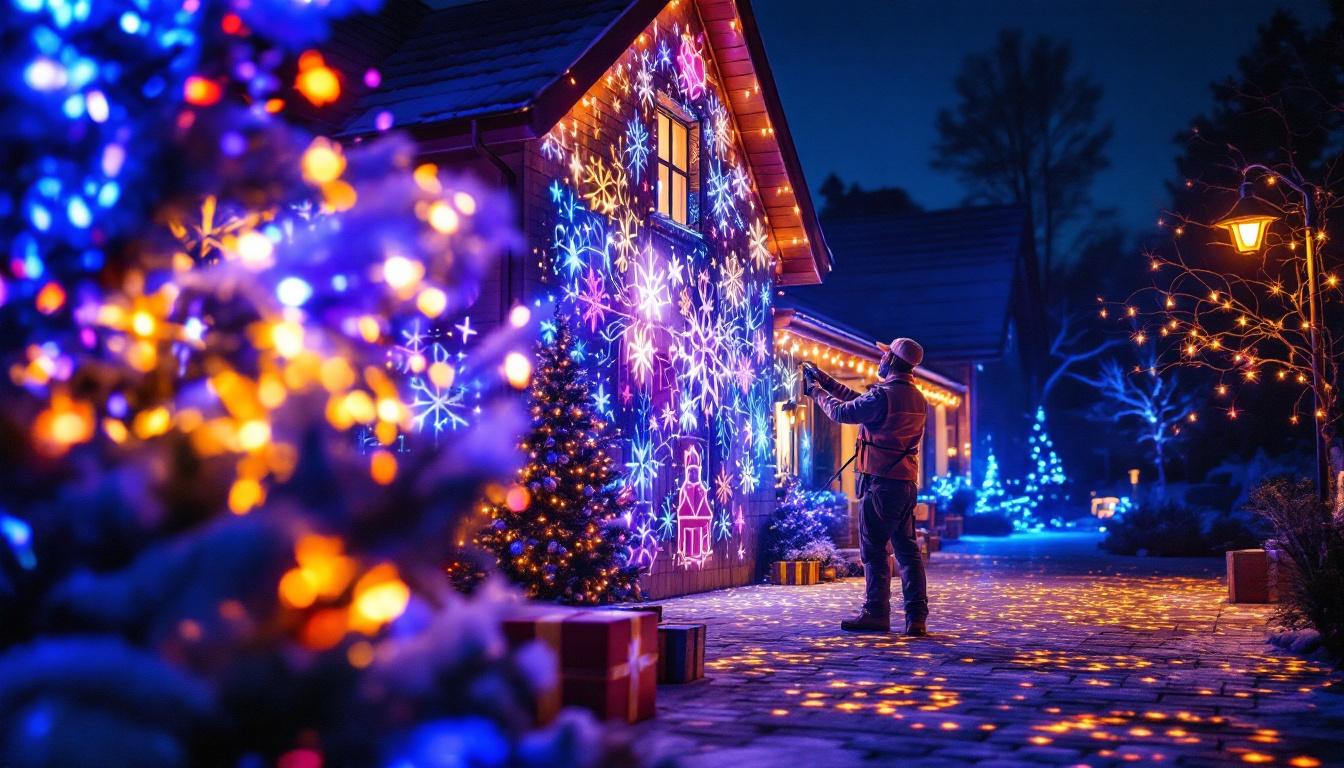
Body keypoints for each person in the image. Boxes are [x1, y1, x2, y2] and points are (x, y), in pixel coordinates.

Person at [803, 337, 928, 635]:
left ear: (892, 361)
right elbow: (858, 401)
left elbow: (843, 412)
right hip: (905, 484)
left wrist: (815, 391)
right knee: (908, 552)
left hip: (880, 485)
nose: (880, 360)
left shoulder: (884, 396)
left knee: (874, 550)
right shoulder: (915, 398)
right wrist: (825, 380)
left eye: (884, 356)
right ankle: (916, 618)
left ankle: (876, 613)